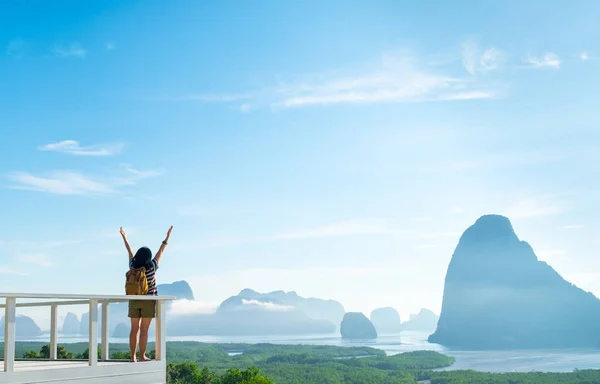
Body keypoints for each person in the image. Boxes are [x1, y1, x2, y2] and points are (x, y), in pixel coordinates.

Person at [120, 225, 173, 362]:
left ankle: (132, 357)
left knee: (134, 329)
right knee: (144, 330)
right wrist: (167, 237)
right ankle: (142, 356)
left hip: (134, 299)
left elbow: (129, 251)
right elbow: (160, 251)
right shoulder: (152, 267)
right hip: (148, 301)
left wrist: (124, 237)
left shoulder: (132, 266)